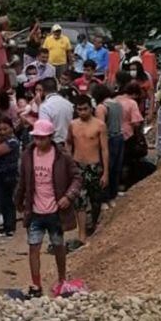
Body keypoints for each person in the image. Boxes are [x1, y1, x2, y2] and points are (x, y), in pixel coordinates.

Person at [16, 120, 81, 298]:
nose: (38, 141)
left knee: (58, 246)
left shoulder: (62, 157)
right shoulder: (28, 156)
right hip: (35, 211)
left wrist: (68, 196)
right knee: (33, 247)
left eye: (42, 138)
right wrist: (19, 202)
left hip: (55, 212)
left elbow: (76, 177)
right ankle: (36, 285)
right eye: (36, 137)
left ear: (50, 138)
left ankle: (61, 280)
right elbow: (23, 181)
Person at [67, 96, 108, 244]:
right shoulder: (72, 125)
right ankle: (82, 234)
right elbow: (69, 143)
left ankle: (94, 225)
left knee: (95, 200)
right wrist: (69, 164)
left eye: (85, 109)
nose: (82, 112)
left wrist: (105, 172)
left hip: (94, 166)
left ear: (91, 108)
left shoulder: (100, 125)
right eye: (79, 109)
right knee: (79, 201)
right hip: (78, 166)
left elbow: (104, 150)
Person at [92, 84, 124, 201]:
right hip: (119, 136)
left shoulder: (102, 107)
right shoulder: (117, 103)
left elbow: (100, 127)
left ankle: (104, 197)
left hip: (109, 139)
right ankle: (113, 194)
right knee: (116, 168)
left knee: (106, 168)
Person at [0, 121, 20, 239]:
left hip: (8, 175)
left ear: (11, 129)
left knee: (7, 202)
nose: (2, 132)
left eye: (5, 129)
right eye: (0, 130)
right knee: (4, 201)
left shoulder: (12, 142)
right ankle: (7, 226)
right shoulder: (4, 141)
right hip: (1, 174)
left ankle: (9, 228)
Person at [37, 78, 73, 145]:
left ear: (43, 90)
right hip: (68, 143)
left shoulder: (45, 106)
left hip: (54, 144)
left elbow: (44, 128)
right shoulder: (68, 104)